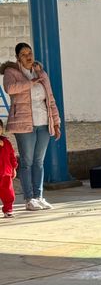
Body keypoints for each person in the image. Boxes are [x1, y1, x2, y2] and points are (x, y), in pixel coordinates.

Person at [0, 42, 62, 210]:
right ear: (17, 58)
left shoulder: (41, 72)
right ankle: (29, 199)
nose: (28, 57)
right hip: (23, 125)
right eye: (24, 54)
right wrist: (31, 82)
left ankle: (39, 196)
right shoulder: (11, 72)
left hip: (43, 122)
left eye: (30, 53)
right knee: (26, 162)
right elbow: (10, 88)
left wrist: (56, 122)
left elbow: (50, 98)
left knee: (39, 162)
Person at [0, 118, 17, 217]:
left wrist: (14, 167)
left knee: (8, 192)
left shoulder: (6, 142)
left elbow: (12, 155)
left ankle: (8, 209)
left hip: (6, 172)